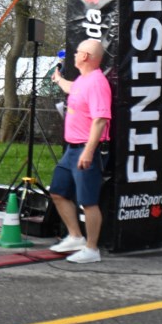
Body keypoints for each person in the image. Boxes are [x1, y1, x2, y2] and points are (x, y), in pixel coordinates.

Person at [47, 38, 111, 263]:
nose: (73, 55)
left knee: (88, 201)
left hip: (85, 149)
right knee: (57, 192)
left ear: (85, 56)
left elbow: (100, 119)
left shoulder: (96, 82)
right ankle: (75, 236)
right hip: (71, 150)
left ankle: (92, 249)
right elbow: (72, 88)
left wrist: (88, 151)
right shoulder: (84, 80)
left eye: (77, 52)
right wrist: (58, 80)